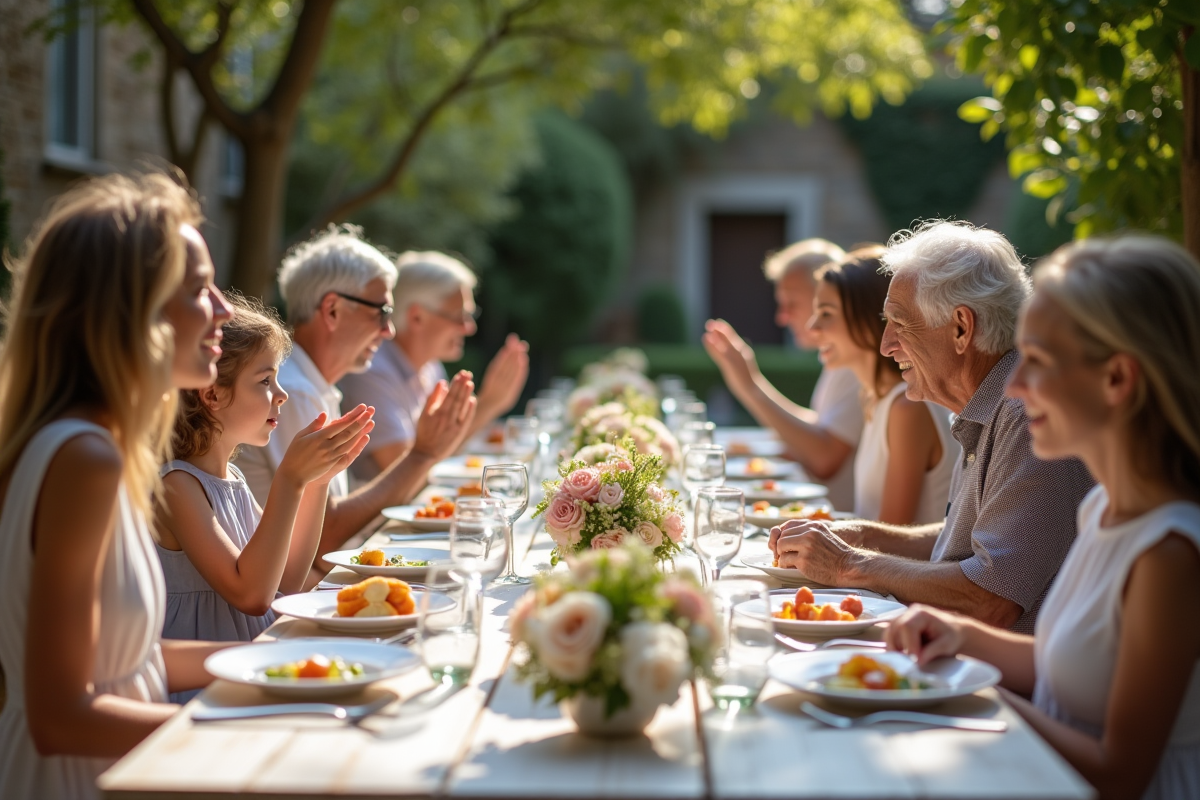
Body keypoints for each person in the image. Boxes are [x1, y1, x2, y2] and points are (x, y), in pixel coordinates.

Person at [887, 235, 1200, 800]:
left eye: (1040, 360)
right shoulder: (1107, 507)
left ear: (1117, 381)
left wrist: (974, 692)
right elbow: (1075, 661)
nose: (1018, 385)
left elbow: (1119, 775)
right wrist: (959, 637)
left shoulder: (1169, 554)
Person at [0, 172, 233, 799]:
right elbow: (58, 716)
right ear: (133, 309)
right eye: (201, 289)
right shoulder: (84, 459)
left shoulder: (93, 447)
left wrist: (262, 671)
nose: (225, 310)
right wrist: (236, 730)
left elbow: (127, 659)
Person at [771, 221, 1093, 632]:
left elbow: (991, 598)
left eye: (900, 324)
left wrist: (849, 564)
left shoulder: (1024, 414)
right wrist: (852, 535)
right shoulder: (987, 403)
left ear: (961, 328)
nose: (886, 345)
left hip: (994, 684)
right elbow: (964, 538)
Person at [236, 226, 477, 575]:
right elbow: (325, 540)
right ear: (332, 310)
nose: (389, 330)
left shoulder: (311, 384)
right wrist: (422, 455)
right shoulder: (293, 390)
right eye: (381, 312)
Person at [155, 295, 373, 669]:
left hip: (251, 664)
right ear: (213, 395)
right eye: (265, 380)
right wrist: (289, 480)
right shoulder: (177, 485)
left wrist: (315, 484)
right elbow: (252, 595)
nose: (282, 394)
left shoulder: (232, 479)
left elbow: (285, 580)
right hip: (204, 682)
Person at [339, 250, 529, 480]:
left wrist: (490, 405)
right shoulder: (371, 371)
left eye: (470, 315)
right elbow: (403, 474)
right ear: (417, 316)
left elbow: (440, 453)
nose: (469, 328)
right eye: (459, 316)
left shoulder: (430, 368)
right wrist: (488, 405)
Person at [703, 238, 862, 511]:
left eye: (792, 304)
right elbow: (822, 427)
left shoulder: (855, 364)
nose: (782, 317)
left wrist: (751, 386)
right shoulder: (840, 363)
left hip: (834, 524)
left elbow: (824, 458)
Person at [808, 247, 957, 524]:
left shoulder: (907, 408)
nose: (812, 326)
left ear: (868, 321)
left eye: (826, 313)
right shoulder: (874, 398)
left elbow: (890, 536)